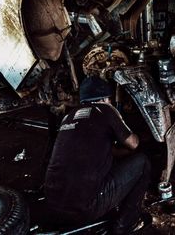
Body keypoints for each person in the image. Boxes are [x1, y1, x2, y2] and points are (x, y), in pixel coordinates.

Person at [44, 76, 152, 234]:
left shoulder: (69, 116)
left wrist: (122, 152)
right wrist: (139, 139)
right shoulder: (105, 109)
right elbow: (133, 144)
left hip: (52, 202)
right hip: (85, 208)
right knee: (142, 163)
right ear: (105, 98)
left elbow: (97, 149)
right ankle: (125, 224)